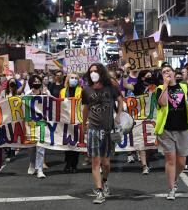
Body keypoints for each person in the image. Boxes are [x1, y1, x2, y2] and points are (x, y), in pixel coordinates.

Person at [155, 64, 188, 200]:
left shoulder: (184, 87)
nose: (166, 73)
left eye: (168, 71)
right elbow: (163, 103)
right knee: (170, 160)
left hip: (183, 128)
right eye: (164, 72)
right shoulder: (159, 89)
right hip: (166, 130)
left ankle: (174, 178)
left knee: (181, 162)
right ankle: (171, 189)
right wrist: (165, 85)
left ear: (174, 73)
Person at [82, 63, 123, 204]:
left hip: (108, 130)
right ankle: (99, 191)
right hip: (93, 128)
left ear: (101, 73)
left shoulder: (111, 88)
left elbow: (120, 100)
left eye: (96, 71)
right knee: (95, 162)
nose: (93, 73)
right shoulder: (86, 90)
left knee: (105, 162)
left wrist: (118, 116)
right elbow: (85, 108)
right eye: (91, 71)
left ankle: (104, 181)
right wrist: (83, 124)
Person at [123, 69, 155, 175]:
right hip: (140, 118)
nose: (150, 77)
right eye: (148, 75)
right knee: (142, 143)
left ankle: (148, 160)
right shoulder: (137, 87)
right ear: (142, 78)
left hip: (153, 119)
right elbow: (125, 84)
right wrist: (124, 72)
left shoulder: (156, 87)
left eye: (151, 75)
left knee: (151, 144)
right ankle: (144, 166)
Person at [60, 73, 82, 173]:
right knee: (67, 142)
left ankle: (74, 165)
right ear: (68, 80)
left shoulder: (81, 91)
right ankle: (68, 163)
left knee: (76, 142)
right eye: (72, 78)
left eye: (76, 78)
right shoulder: (62, 91)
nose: (74, 80)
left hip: (77, 119)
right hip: (65, 119)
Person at [26, 75, 47, 178]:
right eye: (35, 81)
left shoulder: (46, 94)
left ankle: (40, 169)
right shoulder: (27, 95)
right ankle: (32, 164)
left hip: (42, 124)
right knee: (32, 147)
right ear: (31, 83)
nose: (37, 82)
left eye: (39, 81)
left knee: (41, 147)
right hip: (31, 124)